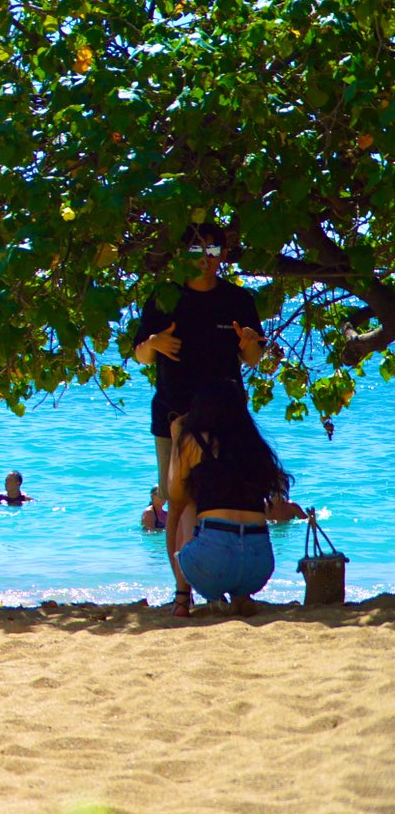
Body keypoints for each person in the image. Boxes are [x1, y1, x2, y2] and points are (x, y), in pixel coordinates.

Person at [132, 221, 265, 602]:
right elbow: (139, 353)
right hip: (173, 415)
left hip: (228, 419)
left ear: (223, 255)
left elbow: (252, 358)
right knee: (180, 501)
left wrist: (249, 343)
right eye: (195, 250)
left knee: (228, 498)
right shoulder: (164, 298)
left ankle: (234, 584)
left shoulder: (239, 300)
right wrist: (154, 343)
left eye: (211, 251)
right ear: (182, 256)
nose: (204, 259)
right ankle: (182, 591)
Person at [164, 385, 293, 617]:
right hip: (258, 569)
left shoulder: (193, 440)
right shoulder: (254, 445)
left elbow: (174, 494)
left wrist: (176, 439)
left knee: (182, 506)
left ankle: (182, 599)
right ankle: (241, 596)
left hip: (213, 563)